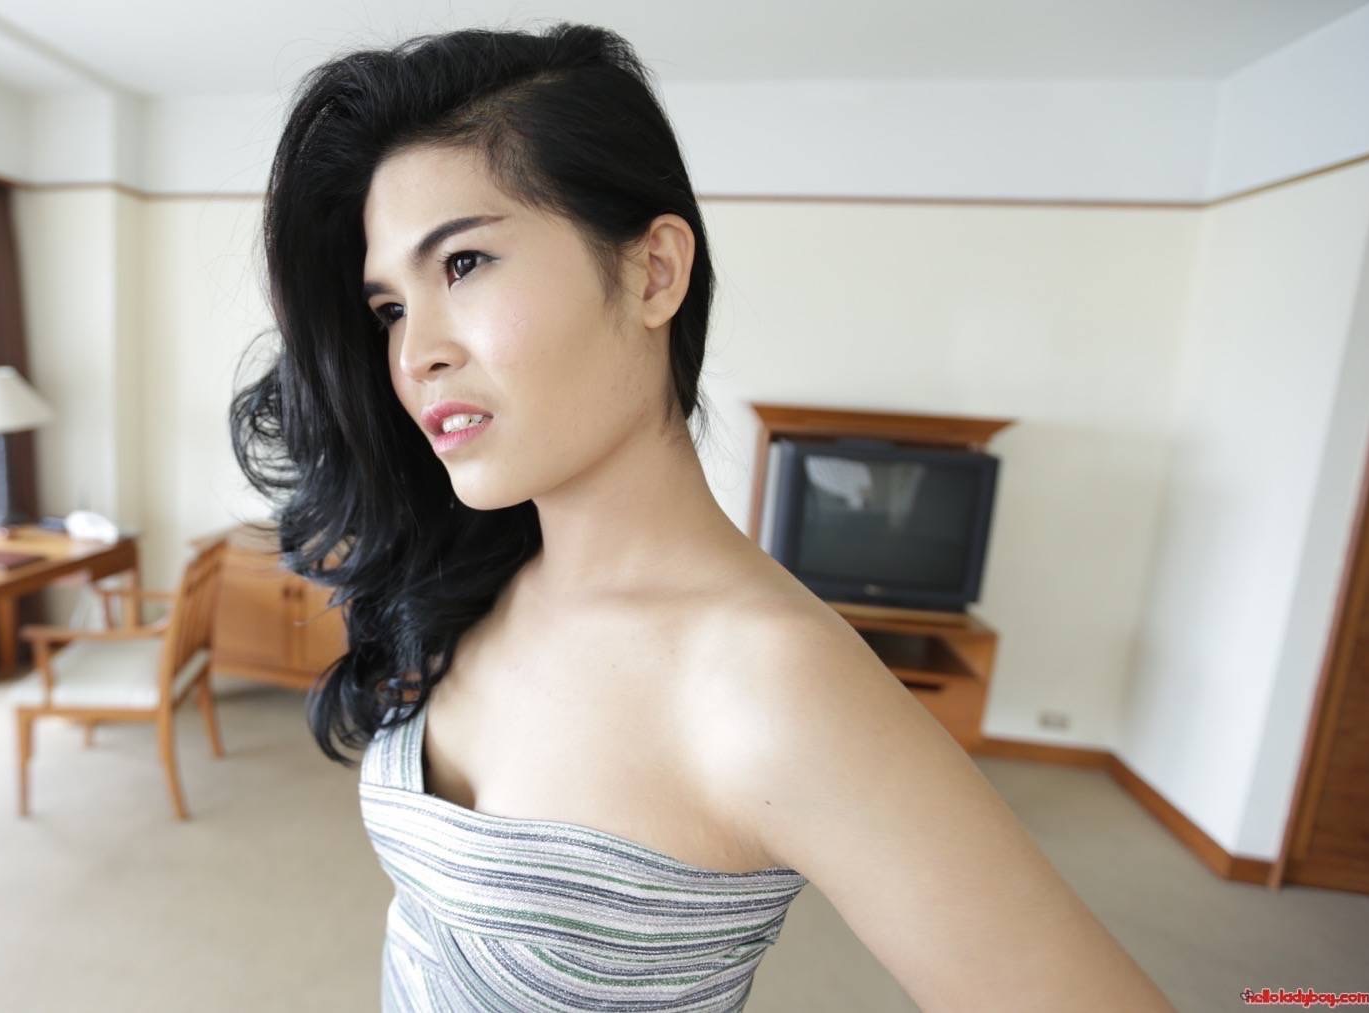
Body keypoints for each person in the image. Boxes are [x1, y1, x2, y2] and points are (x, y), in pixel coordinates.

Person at [230, 21, 1175, 1012]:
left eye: (463, 263)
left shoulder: (775, 680)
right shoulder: (472, 570)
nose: (414, 351)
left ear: (654, 272)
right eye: (389, 307)